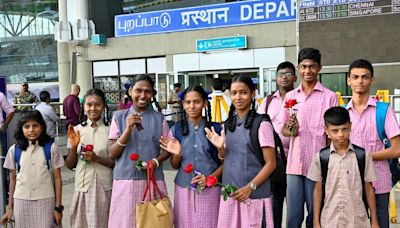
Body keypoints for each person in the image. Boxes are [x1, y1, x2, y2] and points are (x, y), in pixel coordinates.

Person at [277, 48, 338, 228]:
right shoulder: (290, 97)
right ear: (298, 67)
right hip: (295, 165)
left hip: (319, 165)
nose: (307, 71)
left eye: (312, 66)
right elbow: (284, 129)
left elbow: (333, 134)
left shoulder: (330, 97)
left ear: (319, 68)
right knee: (293, 218)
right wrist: (291, 128)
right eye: (303, 66)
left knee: (316, 216)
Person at [205, 75, 276, 227]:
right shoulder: (228, 125)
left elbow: (271, 163)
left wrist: (251, 187)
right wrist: (220, 149)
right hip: (231, 194)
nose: (238, 97)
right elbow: (226, 160)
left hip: (254, 196)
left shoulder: (262, 124)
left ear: (253, 94)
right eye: (234, 93)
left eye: (243, 92)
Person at [107, 75, 171, 227]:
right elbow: (111, 153)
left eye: (147, 92)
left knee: (152, 223)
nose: (142, 96)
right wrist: (127, 130)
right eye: (138, 91)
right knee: (124, 223)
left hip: (152, 180)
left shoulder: (159, 119)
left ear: (152, 94)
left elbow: (168, 149)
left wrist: (155, 162)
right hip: (125, 182)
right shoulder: (119, 117)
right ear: (130, 91)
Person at [345, 59, 400, 228]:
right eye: (355, 77)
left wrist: (365, 156)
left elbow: (396, 149)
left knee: (380, 224)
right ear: (349, 80)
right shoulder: (342, 112)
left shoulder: (384, 110)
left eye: (365, 77)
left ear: (372, 80)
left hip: (379, 181)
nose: (360, 81)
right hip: (349, 183)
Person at [160, 85, 223, 228]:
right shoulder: (175, 129)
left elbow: (226, 162)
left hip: (211, 190)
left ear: (205, 103)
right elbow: (175, 165)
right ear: (183, 104)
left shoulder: (216, 129)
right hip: (184, 189)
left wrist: (210, 178)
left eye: (197, 102)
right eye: (188, 102)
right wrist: (177, 155)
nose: (192, 106)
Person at [307, 106, 379, 228]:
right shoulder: (321, 157)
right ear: (326, 130)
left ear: (350, 126)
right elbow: (317, 190)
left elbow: (369, 189)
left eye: (344, 129)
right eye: (335, 131)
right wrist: (316, 221)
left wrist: (374, 221)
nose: (340, 135)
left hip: (357, 221)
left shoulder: (362, 156)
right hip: (329, 220)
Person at [0, 111, 64, 227]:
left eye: (35, 126)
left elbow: (57, 178)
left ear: (42, 127)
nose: (31, 130)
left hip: (46, 200)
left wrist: (58, 208)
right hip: (21, 201)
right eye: (27, 126)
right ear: (21, 129)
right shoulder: (14, 150)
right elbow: (12, 180)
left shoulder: (51, 148)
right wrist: (10, 208)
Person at [66, 88, 114, 228]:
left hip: (105, 185)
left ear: (104, 106)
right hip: (82, 185)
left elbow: (115, 163)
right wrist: (74, 147)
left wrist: (97, 159)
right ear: (84, 107)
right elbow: (70, 165)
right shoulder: (76, 130)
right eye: (89, 105)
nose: (93, 108)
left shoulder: (111, 130)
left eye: (97, 104)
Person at [257, 61, 297, 228]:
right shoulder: (267, 102)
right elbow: (258, 127)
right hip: (275, 162)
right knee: (274, 206)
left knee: (295, 210)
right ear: (275, 79)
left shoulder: (300, 98)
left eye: (288, 74)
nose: (284, 78)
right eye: (280, 75)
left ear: (295, 77)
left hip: (297, 161)